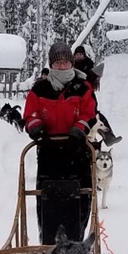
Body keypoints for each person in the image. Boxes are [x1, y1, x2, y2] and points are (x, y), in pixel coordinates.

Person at [23, 41, 97, 242]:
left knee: (79, 200)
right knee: (48, 202)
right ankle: (48, 246)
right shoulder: (40, 88)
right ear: (51, 65)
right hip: (49, 153)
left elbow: (89, 113)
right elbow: (30, 114)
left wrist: (78, 131)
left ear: (71, 63)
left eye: (65, 62)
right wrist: (37, 130)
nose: (62, 66)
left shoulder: (82, 88)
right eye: (58, 63)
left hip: (76, 152)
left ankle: (76, 244)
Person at [72, 46, 120, 144]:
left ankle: (108, 136)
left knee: (95, 115)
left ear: (84, 55)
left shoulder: (89, 64)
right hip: (73, 95)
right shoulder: (71, 64)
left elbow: (93, 79)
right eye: (77, 54)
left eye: (80, 54)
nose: (78, 56)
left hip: (86, 93)